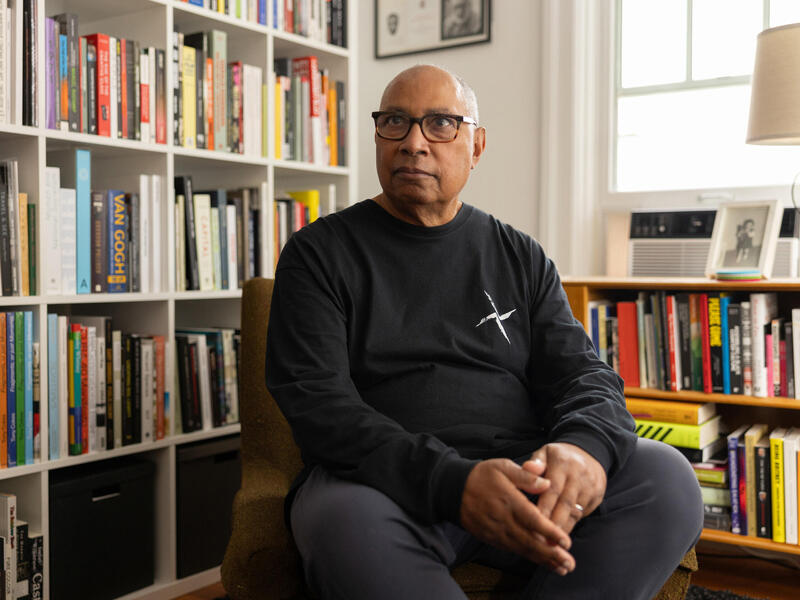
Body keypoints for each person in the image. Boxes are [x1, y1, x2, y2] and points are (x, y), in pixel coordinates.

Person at [265, 65, 703, 600]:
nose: (413, 144)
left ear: (477, 145)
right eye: (395, 122)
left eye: (441, 123)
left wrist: (582, 447)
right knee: (336, 521)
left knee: (665, 476)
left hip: (526, 476)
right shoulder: (318, 254)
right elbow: (319, 406)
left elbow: (583, 374)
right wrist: (454, 483)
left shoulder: (520, 255)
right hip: (383, 484)